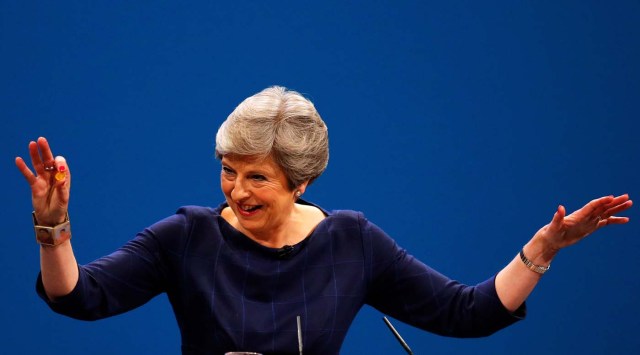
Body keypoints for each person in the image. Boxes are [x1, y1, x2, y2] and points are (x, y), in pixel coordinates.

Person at [16, 86, 632, 355]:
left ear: (302, 180)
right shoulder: (185, 237)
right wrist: (54, 228)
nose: (235, 191)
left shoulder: (351, 244)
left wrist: (545, 244)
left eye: (255, 177)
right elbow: (79, 298)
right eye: (227, 170)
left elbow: (466, 313)